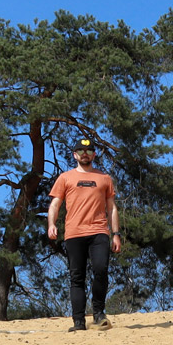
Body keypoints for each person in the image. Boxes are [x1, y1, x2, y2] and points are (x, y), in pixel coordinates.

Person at [46, 138, 120, 331]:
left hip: (99, 232)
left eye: (88, 151)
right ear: (75, 155)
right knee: (76, 277)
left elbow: (112, 208)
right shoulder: (65, 178)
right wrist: (52, 224)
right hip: (74, 233)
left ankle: (98, 314)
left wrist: (116, 234)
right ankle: (78, 321)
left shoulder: (104, 178)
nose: (84, 154)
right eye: (81, 151)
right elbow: (55, 204)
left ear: (94, 155)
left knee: (101, 270)